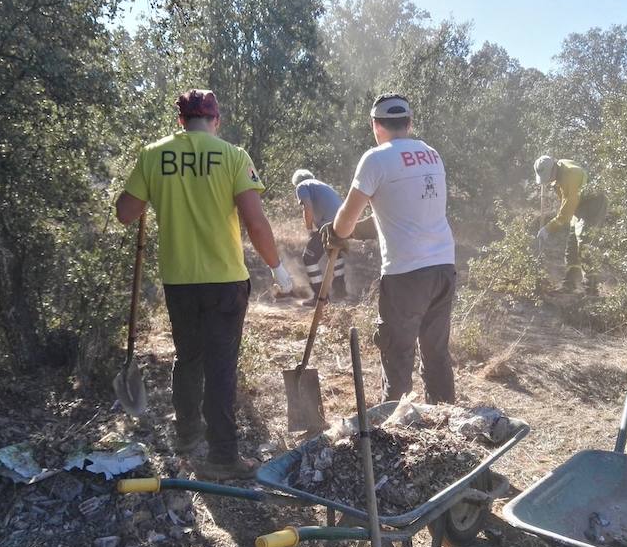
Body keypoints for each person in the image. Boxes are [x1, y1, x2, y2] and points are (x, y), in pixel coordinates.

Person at [115, 89, 292, 479]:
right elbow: (256, 223)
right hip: (225, 281)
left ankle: (187, 436)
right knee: (222, 366)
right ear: (216, 120)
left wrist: (149, 191)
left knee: (188, 357)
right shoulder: (233, 156)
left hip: (179, 281)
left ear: (180, 121)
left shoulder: (152, 154)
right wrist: (277, 267)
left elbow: (125, 213)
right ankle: (223, 457)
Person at [322, 93, 456, 403]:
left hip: (406, 274)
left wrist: (338, 232)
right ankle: (447, 424)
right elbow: (400, 214)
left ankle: (393, 433)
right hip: (443, 268)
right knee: (436, 355)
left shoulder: (376, 158)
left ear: (375, 125)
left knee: (397, 356)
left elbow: (346, 218)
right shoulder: (431, 154)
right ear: (409, 123)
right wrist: (354, 232)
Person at [533, 155, 608, 294]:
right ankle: (570, 282)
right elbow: (566, 202)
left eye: (547, 177)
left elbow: (568, 209)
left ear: (553, 169)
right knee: (572, 243)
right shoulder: (558, 172)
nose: (547, 181)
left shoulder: (570, 175)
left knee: (585, 241)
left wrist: (549, 228)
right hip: (580, 205)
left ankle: (590, 288)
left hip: (593, 203)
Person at [292, 169, 348, 306]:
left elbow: (308, 208)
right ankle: (340, 292)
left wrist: (309, 229)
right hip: (343, 222)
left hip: (328, 223)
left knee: (309, 257)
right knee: (334, 252)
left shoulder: (302, 186)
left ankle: (320, 298)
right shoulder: (322, 185)